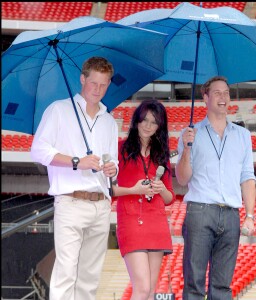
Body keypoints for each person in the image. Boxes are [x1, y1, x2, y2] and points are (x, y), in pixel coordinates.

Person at [31, 56, 118, 300]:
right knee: (66, 271)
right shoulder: (59, 109)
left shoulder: (109, 121)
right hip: (70, 201)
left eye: (103, 85)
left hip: (101, 203)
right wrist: (77, 161)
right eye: (93, 83)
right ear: (82, 79)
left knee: (90, 277)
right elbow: (38, 150)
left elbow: (114, 160)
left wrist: (113, 168)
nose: (98, 90)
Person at [175, 76, 256, 300]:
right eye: (217, 93)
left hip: (231, 214)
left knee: (222, 286)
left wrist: (249, 215)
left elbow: (248, 177)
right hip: (200, 212)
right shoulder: (189, 133)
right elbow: (182, 179)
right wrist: (187, 149)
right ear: (205, 97)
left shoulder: (243, 136)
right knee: (194, 285)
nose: (223, 97)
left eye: (226, 93)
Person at [112, 99, 176, 300]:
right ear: (136, 121)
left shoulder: (161, 154)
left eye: (154, 122)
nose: (148, 126)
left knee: (150, 291)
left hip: (156, 223)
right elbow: (109, 190)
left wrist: (161, 188)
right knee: (141, 288)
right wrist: (134, 189)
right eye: (144, 120)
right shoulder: (120, 149)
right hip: (131, 221)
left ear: (160, 126)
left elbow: (169, 198)